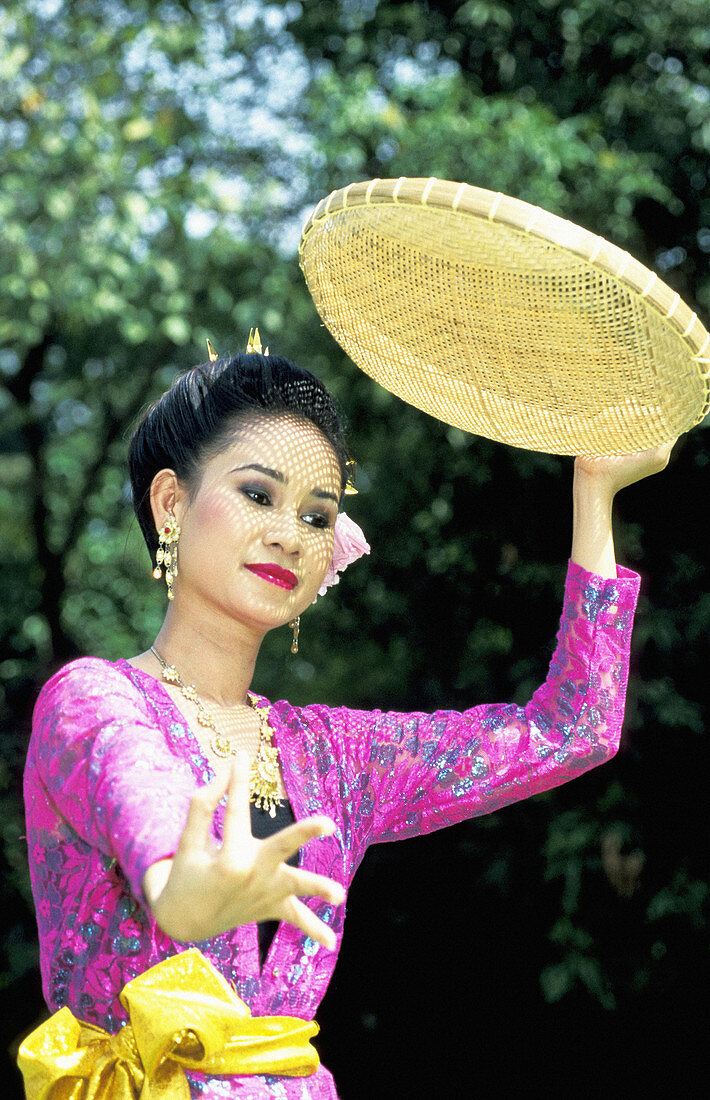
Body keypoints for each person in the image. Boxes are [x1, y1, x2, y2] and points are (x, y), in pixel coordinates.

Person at [22, 338, 672, 1099]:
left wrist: (594, 491)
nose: (290, 534)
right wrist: (182, 887)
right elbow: (152, 820)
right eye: (258, 495)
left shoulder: (337, 756)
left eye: (317, 515)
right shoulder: (94, 700)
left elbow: (573, 729)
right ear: (172, 503)